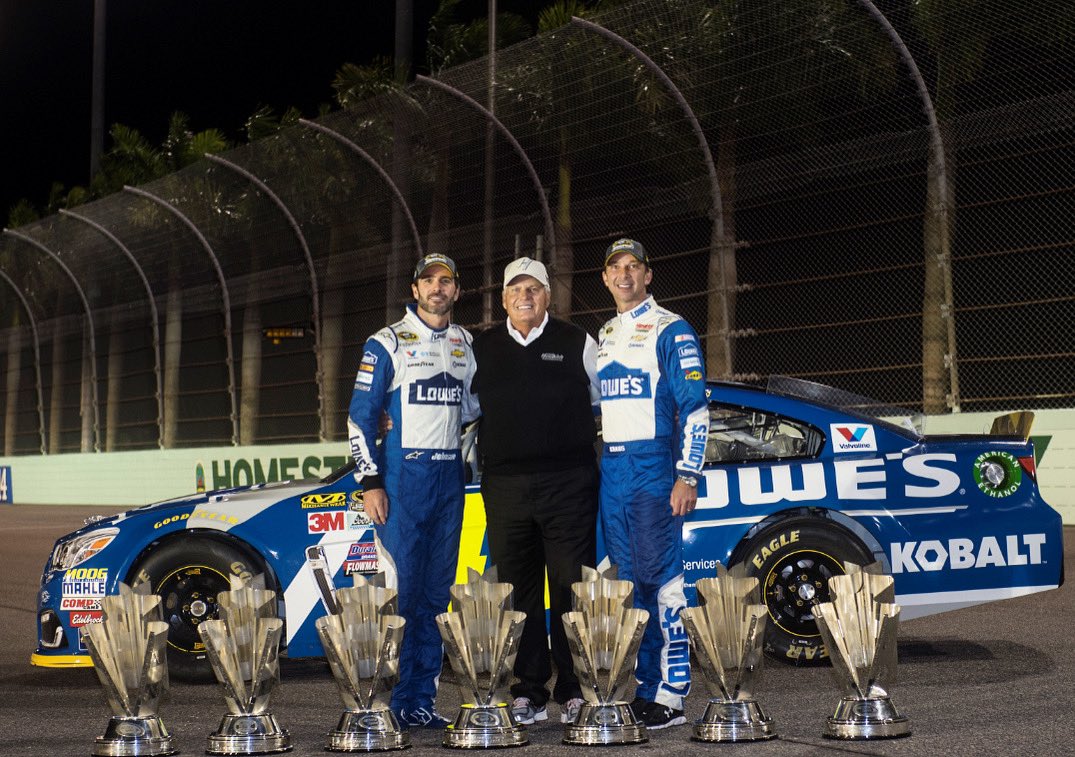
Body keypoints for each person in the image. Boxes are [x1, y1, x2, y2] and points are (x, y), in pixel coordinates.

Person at [347, 253, 478, 728]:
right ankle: (380, 703)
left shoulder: (465, 343)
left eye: (446, 280)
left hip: (449, 482)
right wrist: (371, 482)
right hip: (402, 481)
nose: (438, 288)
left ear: (457, 291)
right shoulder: (386, 342)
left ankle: (418, 701)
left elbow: (472, 410)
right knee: (398, 597)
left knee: (435, 597)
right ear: (415, 288)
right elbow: (359, 417)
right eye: (429, 280)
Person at [471, 257, 600, 727]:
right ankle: (527, 690)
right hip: (505, 486)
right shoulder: (480, 347)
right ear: (503, 297)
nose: (526, 296)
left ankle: (573, 688)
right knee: (518, 591)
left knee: (570, 587)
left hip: (569, 483)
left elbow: (607, 400)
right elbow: (460, 406)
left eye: (535, 289)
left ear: (548, 295)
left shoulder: (577, 342)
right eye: (517, 289)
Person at [596, 238, 709, 729]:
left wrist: (687, 474)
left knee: (664, 582)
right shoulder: (605, 334)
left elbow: (696, 407)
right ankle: (646, 687)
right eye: (615, 268)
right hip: (614, 471)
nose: (624, 276)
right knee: (630, 585)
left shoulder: (671, 328)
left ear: (648, 274)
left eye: (633, 267)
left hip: (653, 466)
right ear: (605, 278)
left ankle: (673, 691)